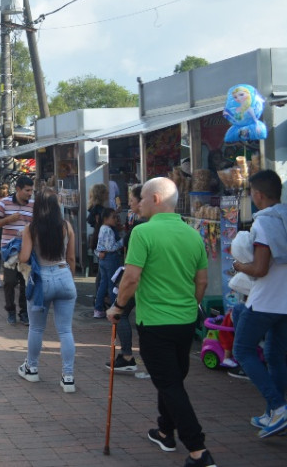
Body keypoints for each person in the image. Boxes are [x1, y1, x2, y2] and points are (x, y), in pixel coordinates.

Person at [106, 177, 215, 467]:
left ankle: (198, 450)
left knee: (169, 384)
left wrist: (117, 307)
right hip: (185, 321)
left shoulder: (143, 233)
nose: (137, 203)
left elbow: (131, 277)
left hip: (155, 322)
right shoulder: (193, 234)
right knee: (172, 380)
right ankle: (165, 431)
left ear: (155, 199)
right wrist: (189, 305)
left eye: (140, 198)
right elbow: (201, 280)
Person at [231, 169, 287, 438]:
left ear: (258, 194)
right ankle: (272, 415)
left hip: (265, 300)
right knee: (276, 358)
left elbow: (261, 268)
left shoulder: (264, 223)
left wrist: (239, 265)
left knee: (242, 350)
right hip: (285, 302)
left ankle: (277, 408)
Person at [16, 189, 77, 392]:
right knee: (66, 330)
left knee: (36, 328)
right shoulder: (66, 227)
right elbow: (71, 259)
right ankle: (68, 376)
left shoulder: (31, 229)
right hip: (64, 275)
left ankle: (31, 368)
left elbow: (24, 258)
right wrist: (70, 278)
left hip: (42, 280)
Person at [106, 184, 145, 373]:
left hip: (138, 281)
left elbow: (133, 271)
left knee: (119, 313)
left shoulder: (141, 228)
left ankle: (128, 356)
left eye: (132, 200)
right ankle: (128, 355)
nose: (129, 204)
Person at [0, 176, 34, 325]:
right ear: (18, 189)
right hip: (9, 251)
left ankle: (24, 312)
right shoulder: (4, 203)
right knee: (9, 282)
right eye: (27, 190)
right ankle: (10, 309)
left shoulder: (33, 205)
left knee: (25, 282)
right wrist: (8, 220)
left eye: (31, 190)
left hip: (27, 249)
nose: (30, 193)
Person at [93, 208, 123, 318]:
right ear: (106, 218)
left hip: (102, 260)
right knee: (112, 284)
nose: (115, 219)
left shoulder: (101, 228)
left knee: (103, 284)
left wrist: (99, 253)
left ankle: (98, 308)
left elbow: (99, 246)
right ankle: (114, 309)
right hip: (111, 258)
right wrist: (122, 241)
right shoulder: (109, 230)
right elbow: (111, 247)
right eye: (113, 217)